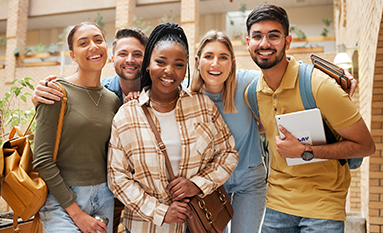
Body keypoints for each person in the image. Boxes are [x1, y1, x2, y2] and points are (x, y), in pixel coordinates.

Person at [244, 4, 375, 232]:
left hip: (323, 207)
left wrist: (306, 151)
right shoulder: (252, 93)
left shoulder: (319, 85)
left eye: (274, 36)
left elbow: (366, 146)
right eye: (257, 36)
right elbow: (267, 125)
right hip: (277, 204)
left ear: (288, 41)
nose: (264, 43)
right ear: (248, 43)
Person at [107, 22, 239, 233]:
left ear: (186, 68)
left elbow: (228, 153)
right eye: (161, 62)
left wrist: (197, 184)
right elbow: (118, 178)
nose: (169, 71)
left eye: (178, 64)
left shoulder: (202, 105)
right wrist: (161, 212)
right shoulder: (126, 115)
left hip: (197, 223)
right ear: (148, 65)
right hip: (146, 227)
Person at [31, 27, 148, 233]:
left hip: (104, 198)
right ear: (72, 55)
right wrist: (76, 213)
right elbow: (41, 159)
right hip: (63, 200)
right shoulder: (56, 92)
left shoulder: (112, 99)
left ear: (105, 49)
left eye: (98, 40)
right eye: (83, 43)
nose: (93, 46)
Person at [189, 30, 267, 233]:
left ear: (232, 62)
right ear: (197, 61)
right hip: (210, 182)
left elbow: (283, 77)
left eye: (223, 57)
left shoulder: (248, 83)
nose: (215, 63)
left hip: (249, 180)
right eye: (208, 56)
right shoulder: (187, 97)